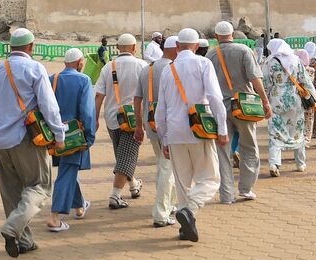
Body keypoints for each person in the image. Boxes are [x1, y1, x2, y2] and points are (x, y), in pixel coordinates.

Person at [0, 28, 65, 258]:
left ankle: (25, 241)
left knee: (11, 193)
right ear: (31, 47)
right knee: (39, 186)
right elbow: (48, 105)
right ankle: (12, 227)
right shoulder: (35, 68)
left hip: (0, 141)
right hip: (27, 138)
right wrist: (59, 135)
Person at [154, 29, 227, 242]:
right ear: (196, 46)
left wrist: (164, 139)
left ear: (177, 47)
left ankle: (185, 227)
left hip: (175, 132)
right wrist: (222, 129)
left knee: (182, 183)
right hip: (199, 129)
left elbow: (161, 110)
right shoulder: (203, 64)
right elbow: (214, 97)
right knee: (211, 178)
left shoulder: (169, 69)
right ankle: (190, 210)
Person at [205, 22, 271, 204]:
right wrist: (265, 101)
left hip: (220, 108)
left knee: (223, 152)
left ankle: (226, 195)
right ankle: (246, 188)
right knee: (249, 147)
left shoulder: (210, 55)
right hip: (244, 106)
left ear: (217, 37)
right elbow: (254, 78)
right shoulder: (243, 50)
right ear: (232, 34)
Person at [93, 33, 147, 209]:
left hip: (112, 117)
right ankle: (115, 196)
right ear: (134, 48)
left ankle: (133, 186)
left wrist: (95, 118)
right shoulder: (142, 65)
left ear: (117, 48)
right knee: (126, 155)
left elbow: (99, 95)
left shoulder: (108, 67)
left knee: (122, 153)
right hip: (133, 118)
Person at [47, 48, 96, 232]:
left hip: (55, 134)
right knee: (67, 172)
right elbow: (87, 111)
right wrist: (89, 136)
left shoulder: (53, 79)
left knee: (68, 167)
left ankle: (79, 206)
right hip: (75, 135)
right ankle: (54, 216)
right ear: (79, 62)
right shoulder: (84, 80)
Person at [132, 36, 179, 227]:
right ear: (176, 49)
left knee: (164, 166)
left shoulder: (147, 69)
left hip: (151, 123)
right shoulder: (173, 69)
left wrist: (138, 125)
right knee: (168, 169)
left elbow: (137, 99)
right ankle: (161, 213)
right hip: (169, 126)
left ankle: (171, 204)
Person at [262, 39, 316, 175]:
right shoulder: (296, 60)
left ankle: (274, 164)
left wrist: (264, 101)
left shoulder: (269, 62)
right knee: (297, 130)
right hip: (295, 100)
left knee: (275, 132)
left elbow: (265, 84)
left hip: (277, 100)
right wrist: (313, 98)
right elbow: (306, 81)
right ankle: (300, 163)